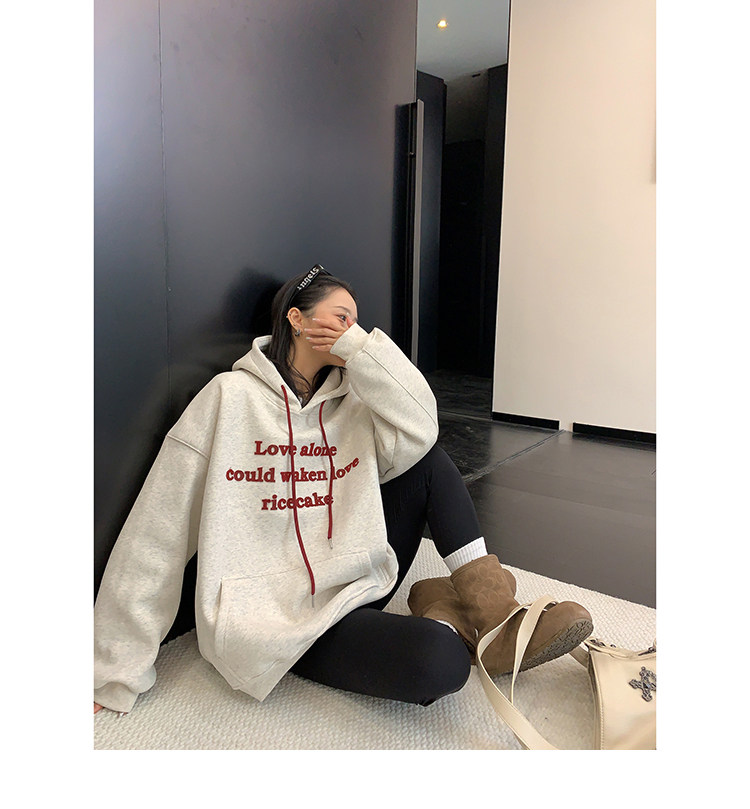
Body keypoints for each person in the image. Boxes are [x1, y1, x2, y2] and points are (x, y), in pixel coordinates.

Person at [94, 265, 592, 716]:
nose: (352, 331)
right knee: (440, 661)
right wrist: (111, 671)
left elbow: (423, 428)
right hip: (274, 619)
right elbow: (156, 534)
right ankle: (448, 614)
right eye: (341, 318)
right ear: (296, 319)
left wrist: (360, 352)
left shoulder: (353, 399)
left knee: (428, 461)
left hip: (354, 583)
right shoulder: (228, 398)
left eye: (357, 323)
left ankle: (495, 615)